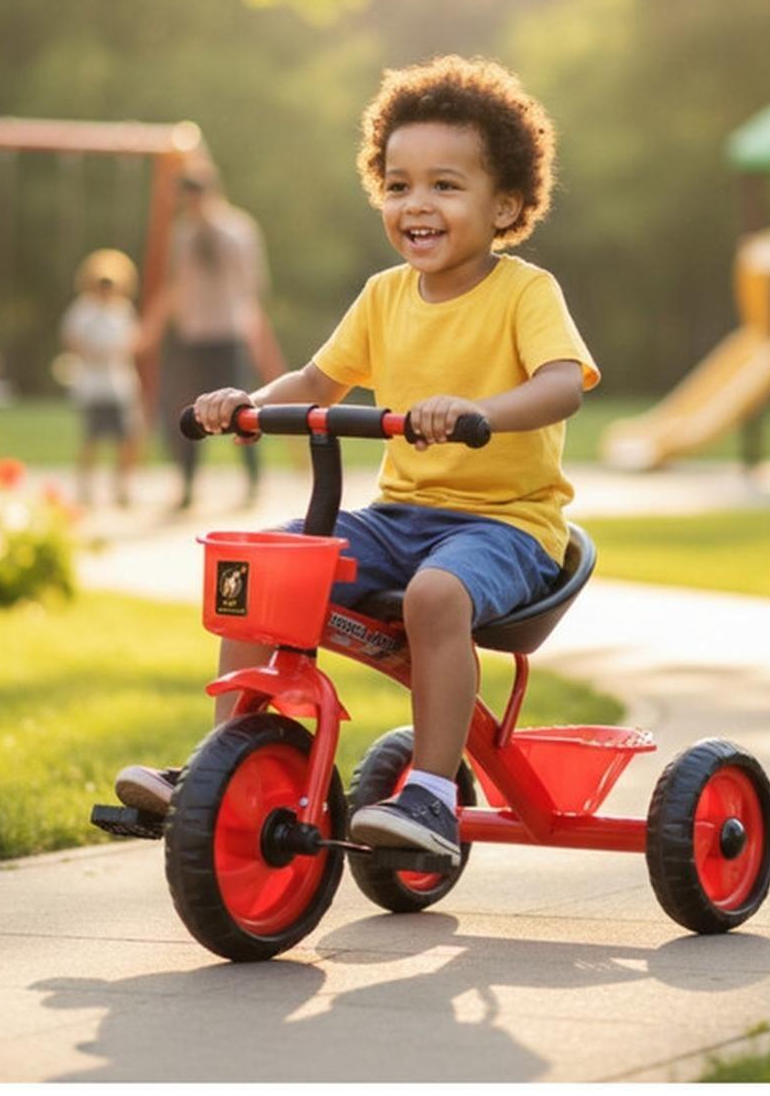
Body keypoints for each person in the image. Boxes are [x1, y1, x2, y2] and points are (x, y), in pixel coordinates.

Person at [115, 55, 599, 866]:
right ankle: (219, 762)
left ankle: (434, 797)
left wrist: (478, 412)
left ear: (505, 204)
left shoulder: (524, 293)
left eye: (446, 185)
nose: (418, 204)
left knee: (437, 596)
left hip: (507, 528)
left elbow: (562, 386)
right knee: (260, 567)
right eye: (399, 184)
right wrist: (244, 403)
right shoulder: (383, 295)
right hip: (400, 520)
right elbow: (315, 381)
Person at [139, 167, 280, 510]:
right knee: (188, 410)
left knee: (242, 409)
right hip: (192, 334)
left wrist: (211, 227)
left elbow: (253, 281)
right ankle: (186, 483)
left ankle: (253, 480)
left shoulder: (237, 229)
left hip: (228, 331)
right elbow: (176, 284)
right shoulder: (182, 234)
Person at [60, 249, 143, 507]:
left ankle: (122, 486)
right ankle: (86, 487)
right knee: (91, 438)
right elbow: (72, 340)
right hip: (93, 384)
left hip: (120, 383)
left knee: (128, 438)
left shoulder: (123, 310)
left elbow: (133, 341)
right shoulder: (82, 310)